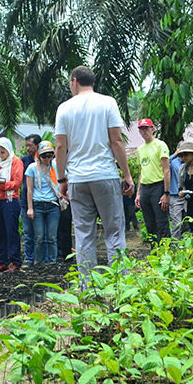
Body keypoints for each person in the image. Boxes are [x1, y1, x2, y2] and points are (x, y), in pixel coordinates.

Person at [55, 66, 135, 277]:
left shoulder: (64, 108)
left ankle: (88, 288)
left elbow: (61, 147)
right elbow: (117, 141)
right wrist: (126, 175)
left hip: (78, 179)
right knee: (115, 232)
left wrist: (61, 178)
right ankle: (120, 284)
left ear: (74, 82)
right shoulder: (107, 102)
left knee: (83, 234)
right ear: (92, 82)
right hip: (105, 174)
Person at [0, 137, 24, 272]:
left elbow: (16, 183)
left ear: (9, 150)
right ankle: (3, 262)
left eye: (3, 152)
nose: (0, 155)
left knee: (11, 231)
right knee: (0, 232)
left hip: (10, 200)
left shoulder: (16, 162)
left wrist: (0, 185)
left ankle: (16, 262)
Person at [26, 140, 64, 264]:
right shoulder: (32, 168)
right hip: (38, 204)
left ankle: (52, 262)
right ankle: (40, 262)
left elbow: (64, 181)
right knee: (39, 237)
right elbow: (30, 189)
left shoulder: (56, 167)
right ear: (39, 156)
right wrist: (30, 208)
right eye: (44, 156)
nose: (47, 159)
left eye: (50, 156)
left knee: (52, 237)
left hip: (52, 205)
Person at [135, 119, 171, 245]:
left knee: (162, 222)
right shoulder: (140, 149)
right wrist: (138, 193)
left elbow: (167, 171)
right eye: (141, 129)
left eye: (147, 128)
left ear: (152, 129)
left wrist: (166, 193)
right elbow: (142, 172)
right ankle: (154, 253)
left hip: (158, 186)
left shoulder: (160, 145)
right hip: (145, 188)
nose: (144, 131)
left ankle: (166, 252)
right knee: (149, 224)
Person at [19, 134, 41, 266]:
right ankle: (28, 259)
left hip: (40, 200)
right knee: (27, 233)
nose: (28, 148)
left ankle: (41, 258)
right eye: (26, 145)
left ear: (38, 146)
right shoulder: (24, 160)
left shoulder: (46, 159)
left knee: (40, 234)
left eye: (30, 146)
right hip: (25, 201)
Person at [168, 145, 186, 239]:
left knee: (187, 225)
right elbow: (163, 164)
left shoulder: (190, 162)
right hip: (175, 197)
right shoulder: (174, 162)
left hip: (187, 196)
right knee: (176, 224)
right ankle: (174, 247)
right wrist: (174, 154)